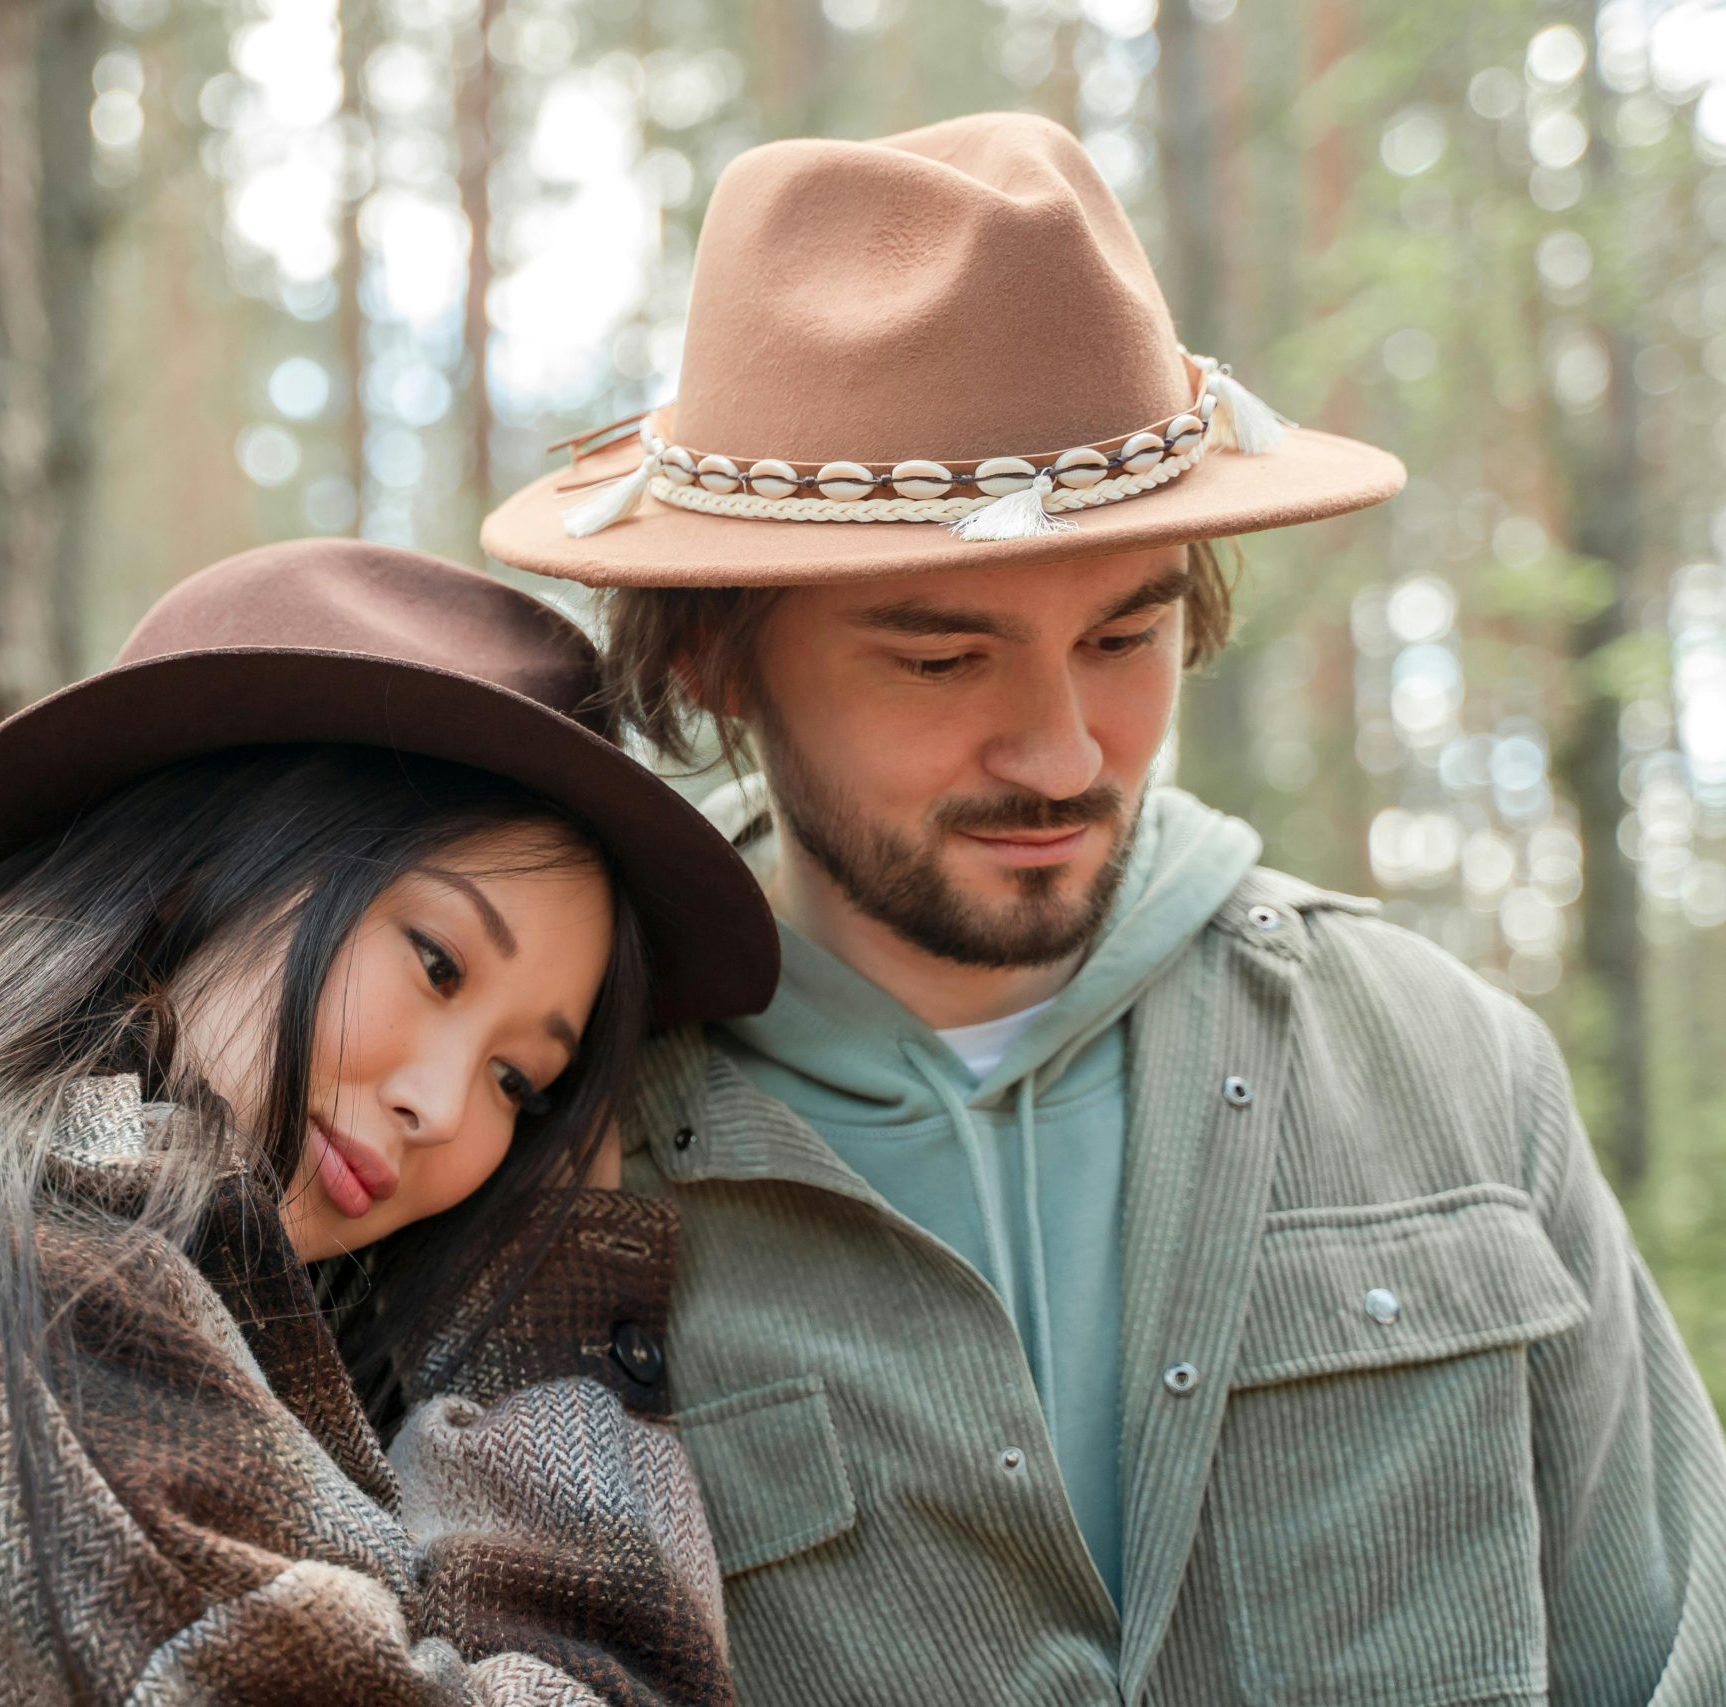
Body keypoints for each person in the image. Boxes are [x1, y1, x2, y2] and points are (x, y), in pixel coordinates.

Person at [482, 114, 1726, 1706]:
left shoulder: (1453, 1068)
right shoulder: (553, 1149)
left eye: (1126, 637)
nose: (1062, 750)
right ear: (716, 655)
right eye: (941, 659)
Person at [0, 541, 778, 1706]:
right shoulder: (5, 1287)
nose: (440, 1107)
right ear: (193, 872)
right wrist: (557, 1334)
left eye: (523, 1084)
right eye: (436, 963)